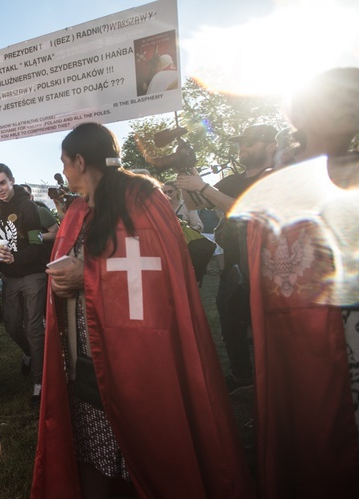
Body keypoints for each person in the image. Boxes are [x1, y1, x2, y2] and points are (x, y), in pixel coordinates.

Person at [32, 122, 252, 499]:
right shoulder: (78, 209)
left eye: (65, 163)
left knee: (146, 440)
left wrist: (86, 275)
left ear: (80, 161)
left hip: (136, 352)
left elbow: (155, 271)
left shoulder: (143, 197)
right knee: (94, 445)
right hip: (84, 355)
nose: (64, 172)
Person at [233, 67, 359, 498]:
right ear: (302, 113)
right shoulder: (277, 184)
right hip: (297, 335)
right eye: (336, 96)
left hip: (354, 333)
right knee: (304, 428)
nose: (350, 103)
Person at [177, 123, 278, 393]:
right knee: (231, 320)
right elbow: (194, 204)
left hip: (266, 263)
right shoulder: (234, 180)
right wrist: (186, 174)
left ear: (271, 146)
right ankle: (243, 375)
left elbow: (246, 209)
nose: (243, 148)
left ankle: (277, 380)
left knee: (265, 326)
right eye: (241, 143)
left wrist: (203, 186)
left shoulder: (275, 176)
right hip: (234, 260)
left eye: (250, 143)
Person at [0, 163, 49, 406]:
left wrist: (17, 257)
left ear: (12, 181)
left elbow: (37, 245)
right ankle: (29, 354)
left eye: (3, 183)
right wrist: (0, 265)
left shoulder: (29, 207)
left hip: (33, 274)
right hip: (10, 276)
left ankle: (40, 381)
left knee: (34, 328)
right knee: (12, 326)